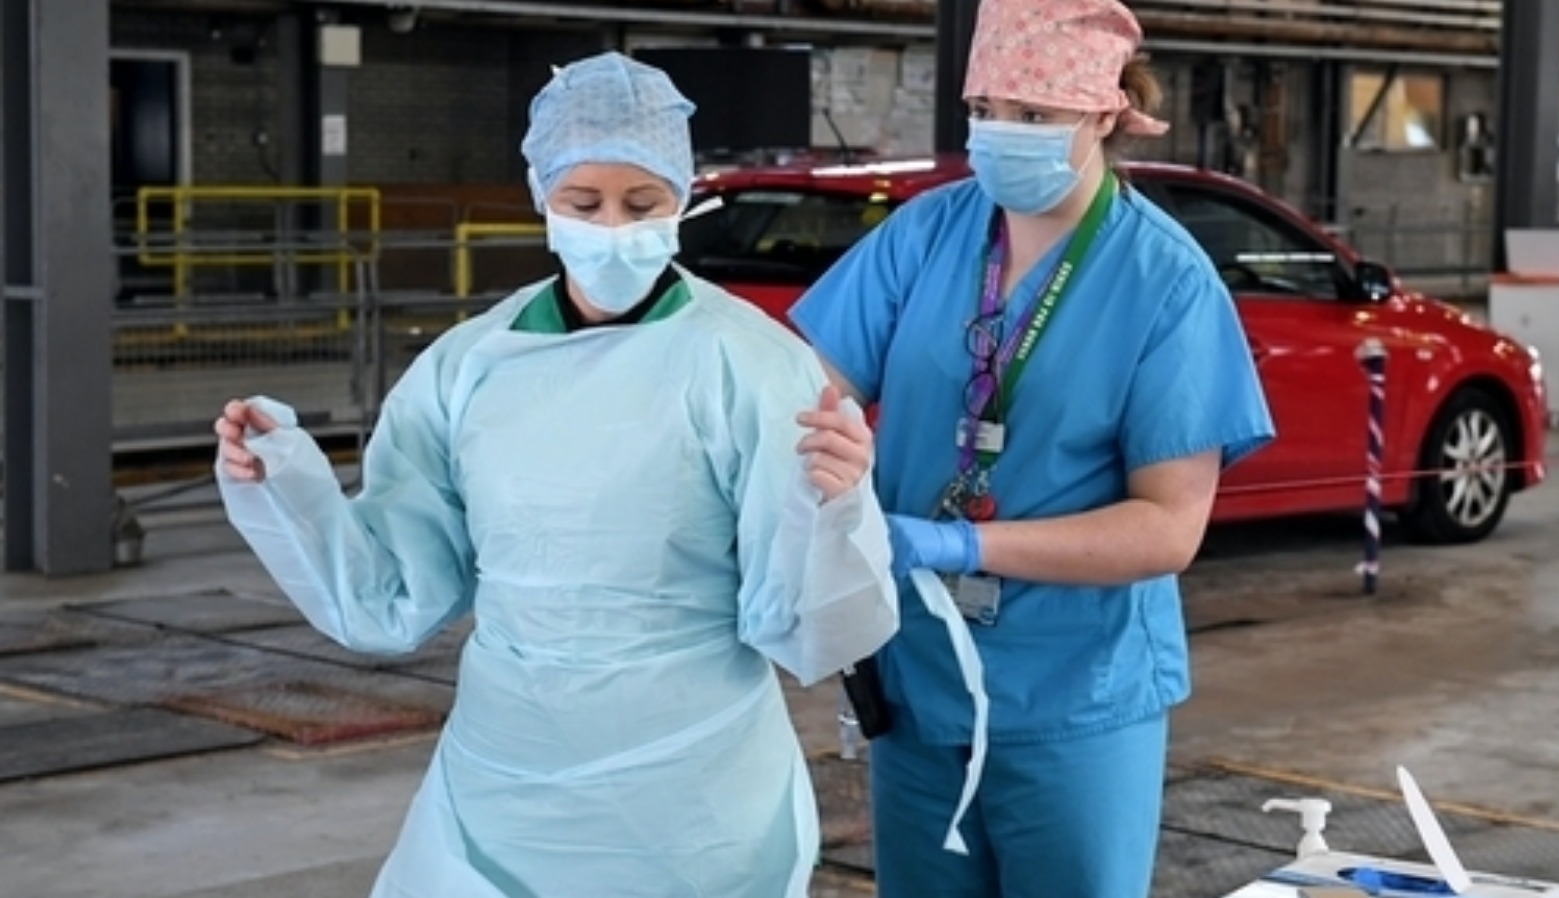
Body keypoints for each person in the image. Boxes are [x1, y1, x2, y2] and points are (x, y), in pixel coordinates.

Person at [213, 51, 897, 898]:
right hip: (509, 784)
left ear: (683, 198)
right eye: (584, 203)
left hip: (691, 794)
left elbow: (806, 630)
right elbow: (390, 595)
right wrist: (284, 485)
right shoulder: (466, 368)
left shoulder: (750, 364)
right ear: (541, 196)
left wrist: (835, 512)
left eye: (641, 204)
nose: (612, 226)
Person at [789, 1, 1276, 896]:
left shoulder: (1165, 282)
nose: (1000, 134)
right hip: (918, 680)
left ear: (1104, 114)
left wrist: (959, 543)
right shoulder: (929, 233)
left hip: (1076, 695)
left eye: (1034, 114)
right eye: (985, 110)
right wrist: (823, 452)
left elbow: (1168, 527)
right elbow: (806, 393)